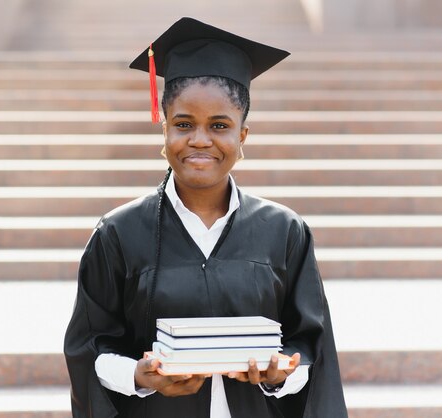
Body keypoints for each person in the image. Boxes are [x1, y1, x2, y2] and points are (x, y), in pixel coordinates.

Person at [64, 17, 348, 418]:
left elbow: (311, 347)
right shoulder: (119, 234)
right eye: (184, 124)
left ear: (242, 136)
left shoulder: (284, 231)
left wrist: (280, 373)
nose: (200, 139)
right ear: (164, 129)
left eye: (219, 125)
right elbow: (90, 347)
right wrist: (140, 376)